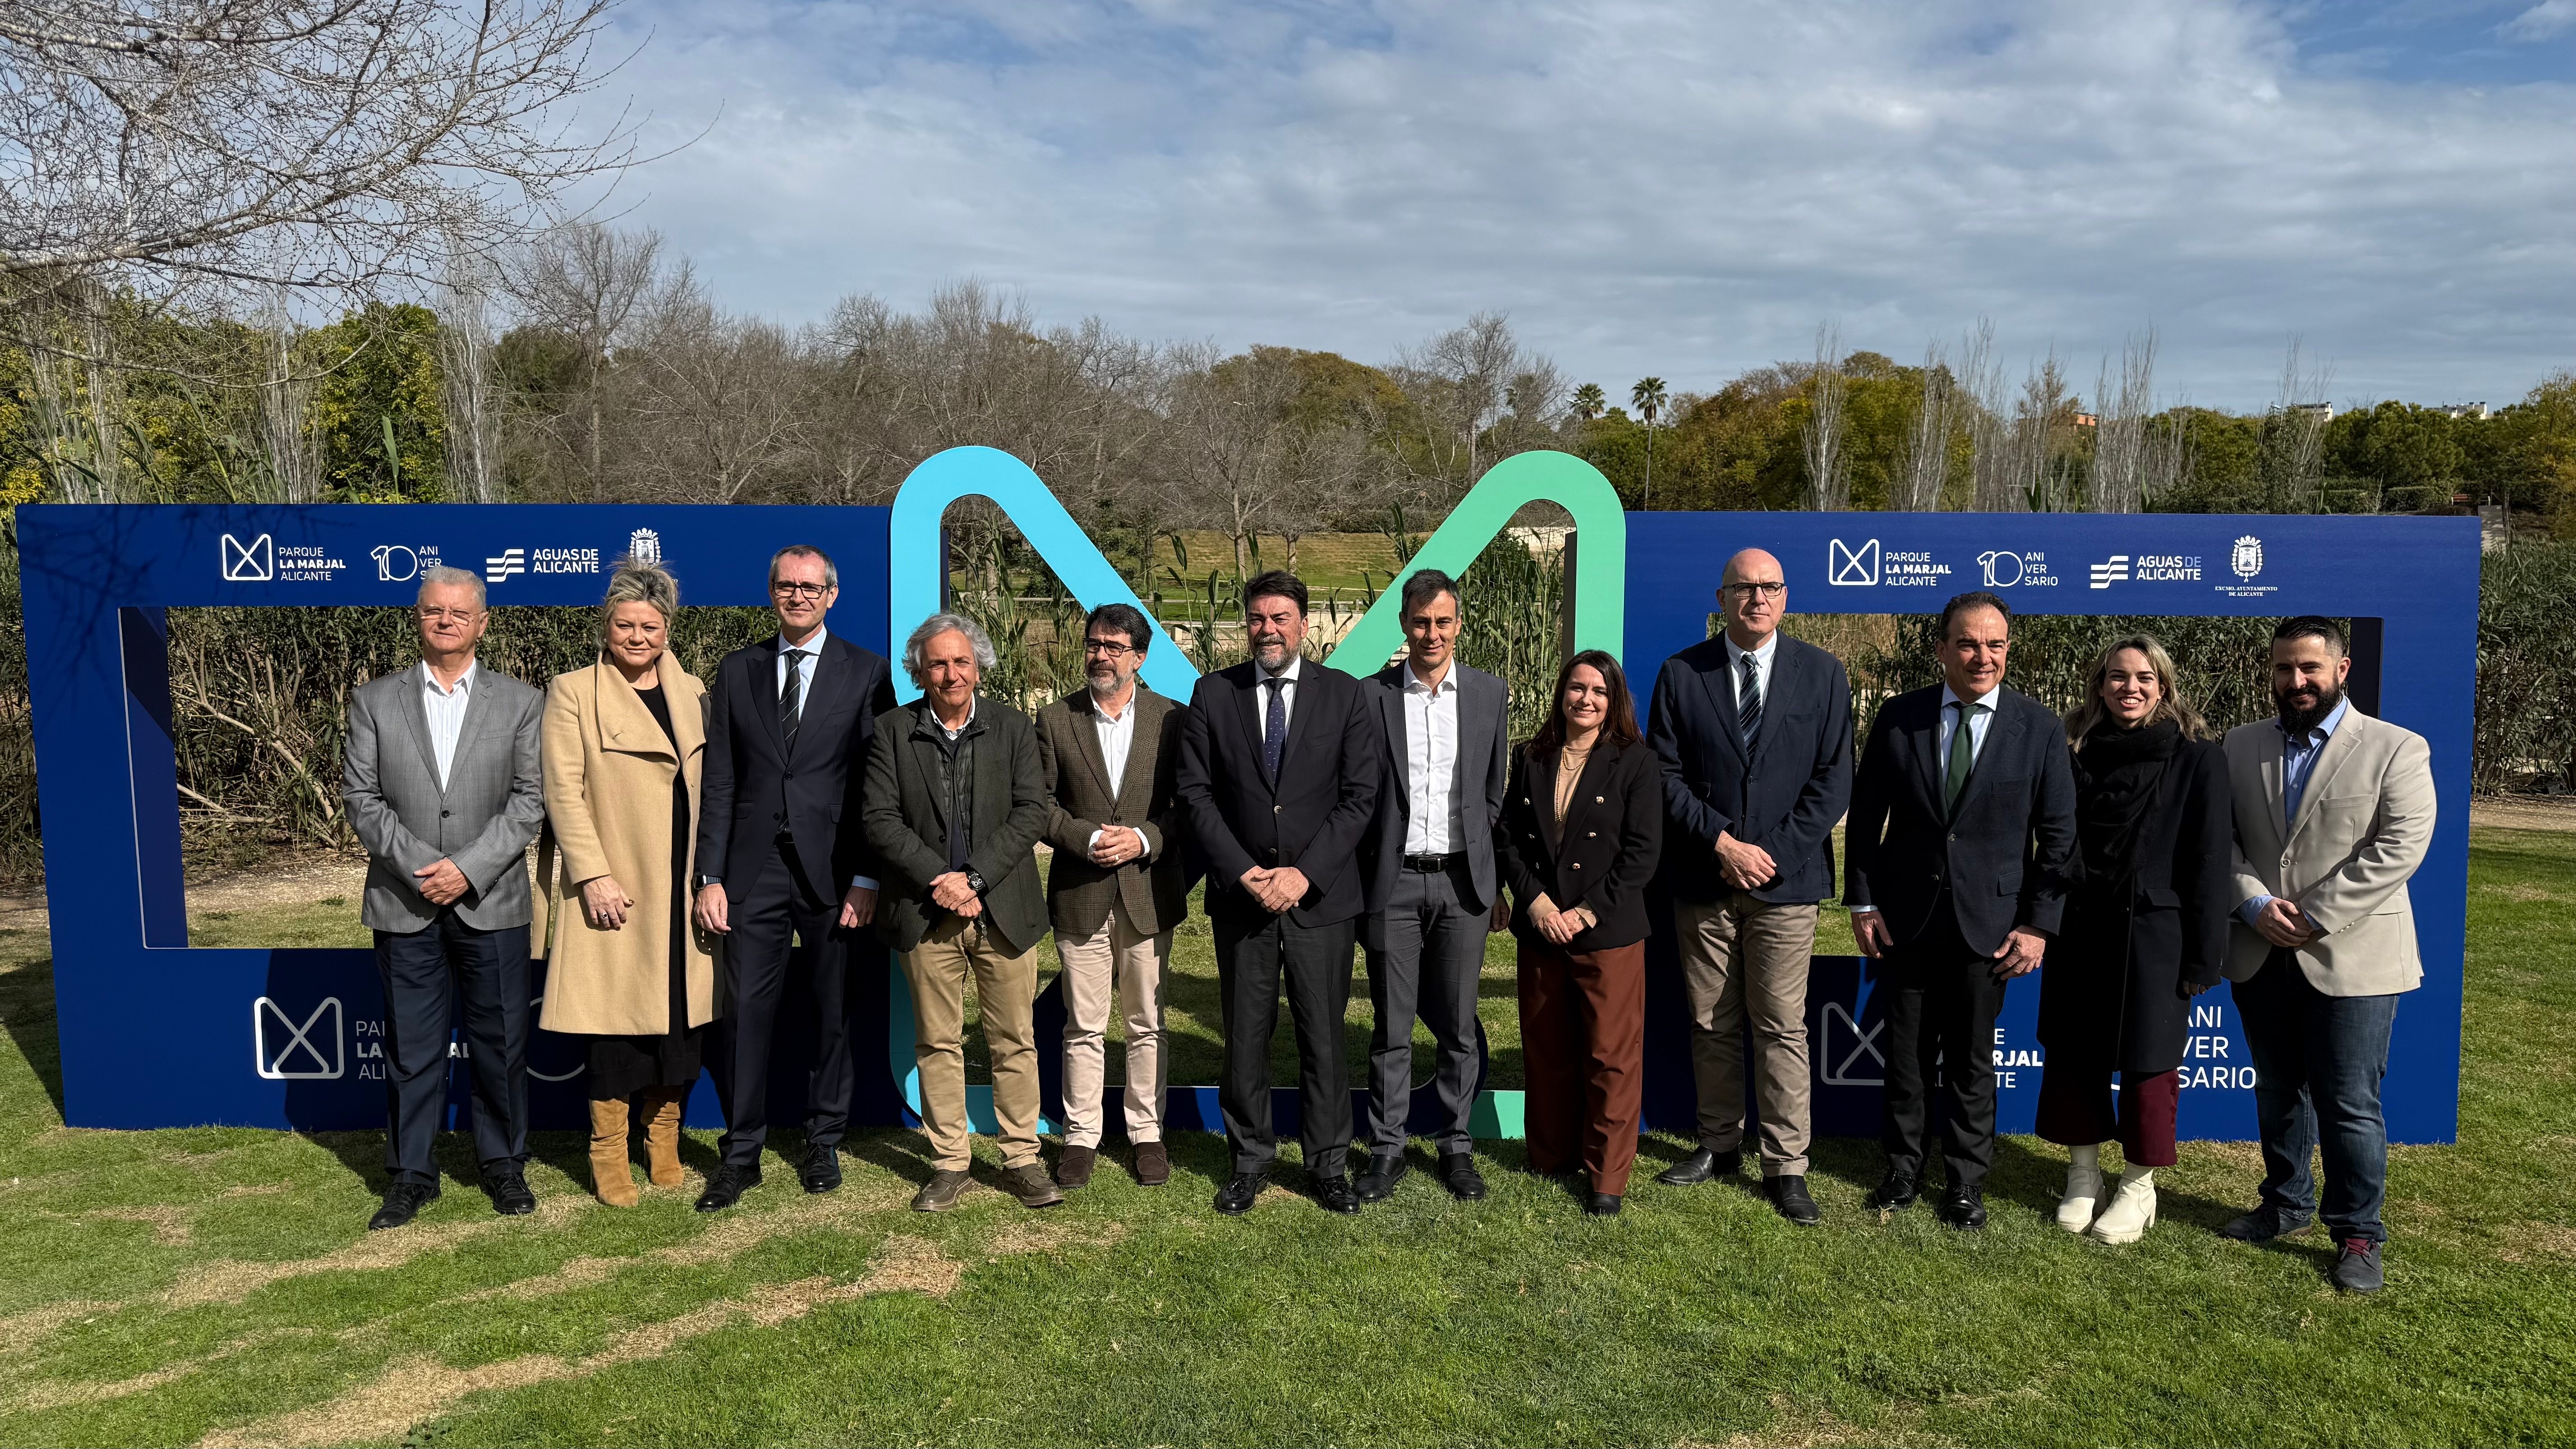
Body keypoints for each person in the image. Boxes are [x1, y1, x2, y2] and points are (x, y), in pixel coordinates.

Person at [1845, 589, 2077, 1229]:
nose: (1983, 657)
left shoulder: (2039, 728)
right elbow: (1865, 817)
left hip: (1992, 927)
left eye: (1995, 645)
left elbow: (2060, 837)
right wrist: (1862, 900)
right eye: (1969, 644)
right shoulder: (1900, 717)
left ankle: (1966, 1182)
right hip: (1907, 917)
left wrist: (2038, 924)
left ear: (2008, 650)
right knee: (1908, 1055)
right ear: (1942, 649)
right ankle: (1902, 1170)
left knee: (1973, 1060)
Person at [2217, 616, 2435, 1294]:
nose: (2297, 680)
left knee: (2348, 1101)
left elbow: (2401, 845)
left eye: (2310, 667)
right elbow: (2218, 840)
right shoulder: (2239, 745)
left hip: (2353, 954)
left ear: (2342, 670)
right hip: (2261, 947)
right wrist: (2253, 903)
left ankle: (2358, 1233)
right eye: (2285, 668)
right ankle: (2285, 1204)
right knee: (2279, 1089)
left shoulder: (2397, 747)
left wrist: (2314, 915)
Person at [1646, 547, 1852, 1224]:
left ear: (1786, 597)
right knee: (1711, 1021)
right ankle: (1719, 1142)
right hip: (1705, 874)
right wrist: (1723, 844)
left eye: (1769, 587)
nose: (1757, 598)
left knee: (1781, 1025)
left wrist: (1770, 855)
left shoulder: (1823, 674)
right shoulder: (1683, 673)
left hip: (1786, 884)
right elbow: (1664, 775)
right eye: (1744, 587)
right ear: (1722, 598)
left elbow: (1833, 781)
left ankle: (1786, 1164)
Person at [691, 545, 897, 1211]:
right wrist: (710, 875)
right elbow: (720, 780)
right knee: (745, 1015)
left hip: (834, 873)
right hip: (752, 872)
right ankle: (741, 1153)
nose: (799, 596)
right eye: (787, 585)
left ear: (832, 595)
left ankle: (823, 1141)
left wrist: (868, 875)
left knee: (833, 1012)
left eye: (811, 587)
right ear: (772, 591)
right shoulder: (738, 670)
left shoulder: (867, 671)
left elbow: (877, 786)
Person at [340, 566, 547, 1229]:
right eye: (434, 610)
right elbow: (361, 798)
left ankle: (504, 1165)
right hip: (406, 902)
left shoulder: (522, 702)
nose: (446, 620)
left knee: (502, 1044)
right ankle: (411, 1175)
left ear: (482, 623)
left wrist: (468, 869)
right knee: (411, 1048)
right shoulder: (375, 700)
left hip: (492, 900)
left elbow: (531, 801)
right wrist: (425, 869)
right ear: (418, 617)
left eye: (459, 612)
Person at [1176, 569, 1385, 1216]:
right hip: (1243, 899)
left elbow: (1360, 798)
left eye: (1280, 618)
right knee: (1246, 1037)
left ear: (1304, 624)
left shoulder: (1345, 694)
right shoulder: (1214, 693)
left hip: (1320, 901)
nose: (1267, 629)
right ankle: (1250, 1161)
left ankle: (1328, 1164)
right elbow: (1196, 794)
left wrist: (1304, 874)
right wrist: (1245, 872)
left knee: (1324, 1036)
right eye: (1257, 618)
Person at [533, 560, 719, 1207]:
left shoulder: (693, 690)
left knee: (679, 1026)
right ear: (605, 627)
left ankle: (662, 1139)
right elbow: (562, 792)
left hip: (682, 886)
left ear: (668, 630)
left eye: (650, 626)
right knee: (614, 1031)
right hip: (619, 886)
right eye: (625, 625)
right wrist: (593, 874)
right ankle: (608, 1152)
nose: (638, 637)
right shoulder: (572, 691)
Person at [2034, 635, 2232, 1244]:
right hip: (2079, 929)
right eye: (2118, 676)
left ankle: (2138, 1187)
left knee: (2151, 1065)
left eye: (2145, 678)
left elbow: (2209, 861)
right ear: (2100, 685)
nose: (2131, 687)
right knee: (2074, 1056)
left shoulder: (2198, 758)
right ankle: (2083, 1175)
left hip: (2156, 938)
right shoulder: (2072, 751)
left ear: (2163, 687)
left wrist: (2203, 956)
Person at [863, 613, 1059, 1212]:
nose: (951, 674)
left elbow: (1031, 811)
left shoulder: (1013, 726)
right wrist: (941, 881)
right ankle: (950, 1164)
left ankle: (1021, 1158)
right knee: (936, 1042)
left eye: (961, 662)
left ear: (979, 668)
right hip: (926, 913)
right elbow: (879, 819)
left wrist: (973, 878)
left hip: (1004, 910)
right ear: (918, 672)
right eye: (938, 664)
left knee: (1014, 1039)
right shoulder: (892, 731)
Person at [1355, 568, 1511, 1204]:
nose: (1432, 633)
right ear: (1404, 624)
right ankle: (1387, 1148)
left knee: (1457, 1024)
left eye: (1443, 622)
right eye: (1420, 622)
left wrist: (1487, 870)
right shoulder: (1371, 696)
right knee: (1392, 1026)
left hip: (1460, 884)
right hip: (1392, 884)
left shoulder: (1488, 694)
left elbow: (1494, 793)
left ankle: (1456, 1145)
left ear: (1458, 624)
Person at [1496, 651, 1663, 1216]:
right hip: (1541, 928)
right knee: (1547, 1049)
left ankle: (1607, 1176)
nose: (1585, 699)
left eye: (1598, 691)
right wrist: (1536, 902)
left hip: (1607, 932)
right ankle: (1550, 1157)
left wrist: (1586, 913)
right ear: (1561, 694)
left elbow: (1642, 855)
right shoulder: (1532, 755)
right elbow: (1509, 839)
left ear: (1614, 701)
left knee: (1610, 1057)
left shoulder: (1636, 762)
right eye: (1576, 688)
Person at [1034, 603, 1189, 1190]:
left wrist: (1145, 838)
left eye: (1115, 647)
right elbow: (1040, 804)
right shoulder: (1056, 719)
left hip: (1149, 892)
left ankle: (1147, 1133)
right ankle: (1081, 1136)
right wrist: (1089, 838)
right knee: (1083, 1024)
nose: (1101, 655)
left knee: (1147, 1021)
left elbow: (1187, 805)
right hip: (1081, 891)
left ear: (1139, 657)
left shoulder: (1171, 719)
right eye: (1095, 644)